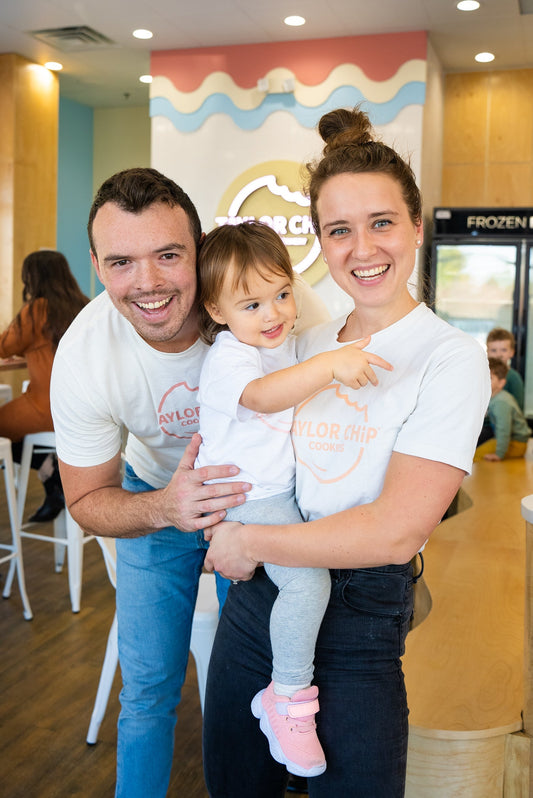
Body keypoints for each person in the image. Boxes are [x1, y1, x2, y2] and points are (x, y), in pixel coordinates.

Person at [201, 107, 491, 798]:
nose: (362, 248)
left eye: (381, 222)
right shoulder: (301, 341)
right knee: (234, 785)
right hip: (256, 599)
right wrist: (202, 496)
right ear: (321, 243)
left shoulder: (448, 359)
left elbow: (396, 531)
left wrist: (247, 537)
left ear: (417, 226)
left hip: (359, 613)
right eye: (339, 230)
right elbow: (239, 429)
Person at [49, 167, 330, 798]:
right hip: (152, 498)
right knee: (148, 689)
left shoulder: (266, 303)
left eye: (168, 255)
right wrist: (167, 508)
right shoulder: (85, 355)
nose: (146, 283)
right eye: (121, 262)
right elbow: (85, 502)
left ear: (199, 252)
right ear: (96, 265)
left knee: (249, 677)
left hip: (256, 506)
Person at [196, 220, 392, 778]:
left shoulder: (272, 344)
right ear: (217, 311)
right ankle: (286, 698)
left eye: (282, 294)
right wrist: (329, 366)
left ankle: (283, 695)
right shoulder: (234, 354)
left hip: (274, 494)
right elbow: (260, 399)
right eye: (252, 303)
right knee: (309, 581)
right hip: (249, 498)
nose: (274, 313)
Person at [0, 249, 89, 522]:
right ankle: (54, 471)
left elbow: (4, 346)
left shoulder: (37, 310)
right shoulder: (83, 306)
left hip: (46, 408)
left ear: (32, 277)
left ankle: (51, 469)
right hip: (82, 411)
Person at [474, 358, 530, 462]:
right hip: (510, 440)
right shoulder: (495, 398)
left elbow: (504, 429)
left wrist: (498, 454)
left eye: (489, 378)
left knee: (476, 456)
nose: (484, 381)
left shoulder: (501, 402)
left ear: (501, 383)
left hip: (516, 443)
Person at [486, 327, 524, 410]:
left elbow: (517, 409)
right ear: (487, 351)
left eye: (503, 350)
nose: (499, 354)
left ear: (512, 352)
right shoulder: (482, 374)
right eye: (493, 350)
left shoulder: (514, 378)